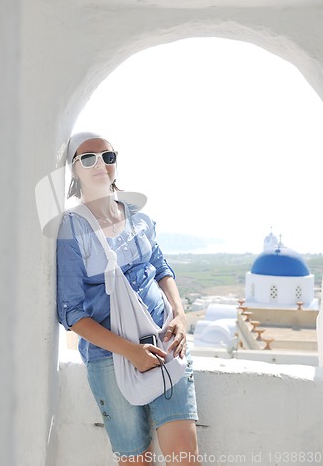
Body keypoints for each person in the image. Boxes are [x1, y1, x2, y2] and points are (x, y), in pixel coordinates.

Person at [56, 132, 201, 465]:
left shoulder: (137, 216)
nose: (101, 165)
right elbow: (73, 314)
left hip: (165, 342)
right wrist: (131, 352)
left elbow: (162, 268)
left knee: (186, 458)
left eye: (108, 157)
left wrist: (179, 315)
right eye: (88, 159)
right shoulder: (71, 229)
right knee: (135, 462)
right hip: (109, 359)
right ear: (74, 170)